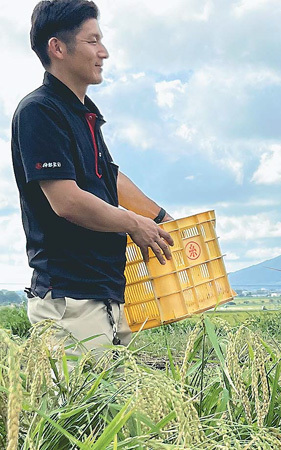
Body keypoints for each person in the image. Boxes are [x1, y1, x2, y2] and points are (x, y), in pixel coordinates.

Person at [11, 0, 174, 358]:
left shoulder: (82, 114)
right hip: (70, 300)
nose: (104, 52)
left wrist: (162, 218)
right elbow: (66, 201)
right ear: (58, 47)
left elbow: (109, 178)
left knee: (120, 409)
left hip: (107, 293)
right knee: (79, 413)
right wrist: (134, 223)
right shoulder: (39, 111)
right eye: (92, 41)